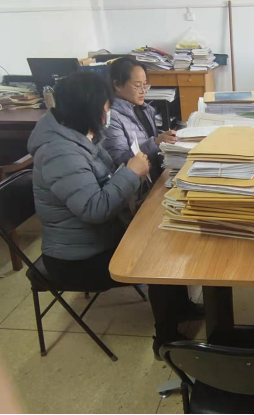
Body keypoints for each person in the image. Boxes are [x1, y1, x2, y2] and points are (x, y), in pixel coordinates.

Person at [28, 72, 202, 361]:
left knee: (166, 234)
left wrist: (130, 174)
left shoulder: (77, 133)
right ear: (89, 109)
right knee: (156, 258)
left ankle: (180, 308)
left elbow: (104, 179)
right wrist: (132, 173)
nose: (108, 113)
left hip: (97, 238)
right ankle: (166, 341)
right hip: (75, 259)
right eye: (106, 107)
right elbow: (94, 209)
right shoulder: (60, 153)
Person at [102, 57, 178, 182]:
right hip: (137, 185)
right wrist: (155, 143)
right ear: (117, 85)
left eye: (145, 85)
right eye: (137, 86)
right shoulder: (112, 118)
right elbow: (119, 162)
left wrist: (167, 139)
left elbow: (147, 139)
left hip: (155, 175)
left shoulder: (145, 109)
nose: (143, 91)